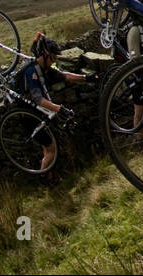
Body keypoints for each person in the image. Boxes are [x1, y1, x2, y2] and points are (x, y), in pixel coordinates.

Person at [17, 34, 94, 173]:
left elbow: (65, 76)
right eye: (53, 57)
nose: (54, 60)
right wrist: (59, 108)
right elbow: (38, 99)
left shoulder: (45, 69)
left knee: (47, 149)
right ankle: (45, 179)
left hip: (36, 113)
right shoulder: (31, 72)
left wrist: (86, 78)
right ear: (45, 55)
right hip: (28, 116)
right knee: (51, 149)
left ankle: (50, 176)